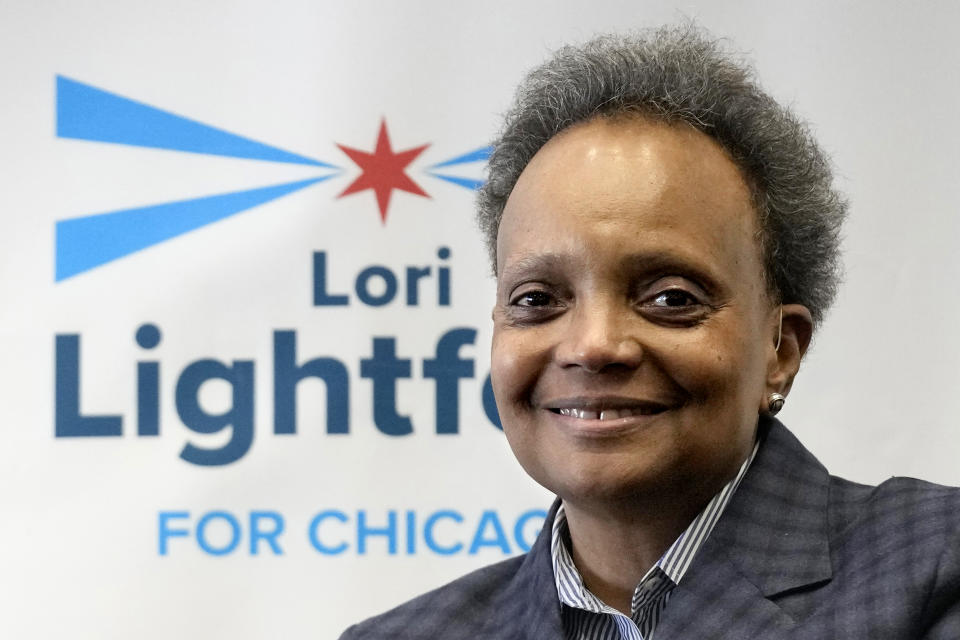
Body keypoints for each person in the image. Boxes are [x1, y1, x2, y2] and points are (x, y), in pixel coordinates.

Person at [340, 25, 960, 639]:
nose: (593, 345)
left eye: (670, 298)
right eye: (537, 299)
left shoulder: (934, 569)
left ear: (782, 348)